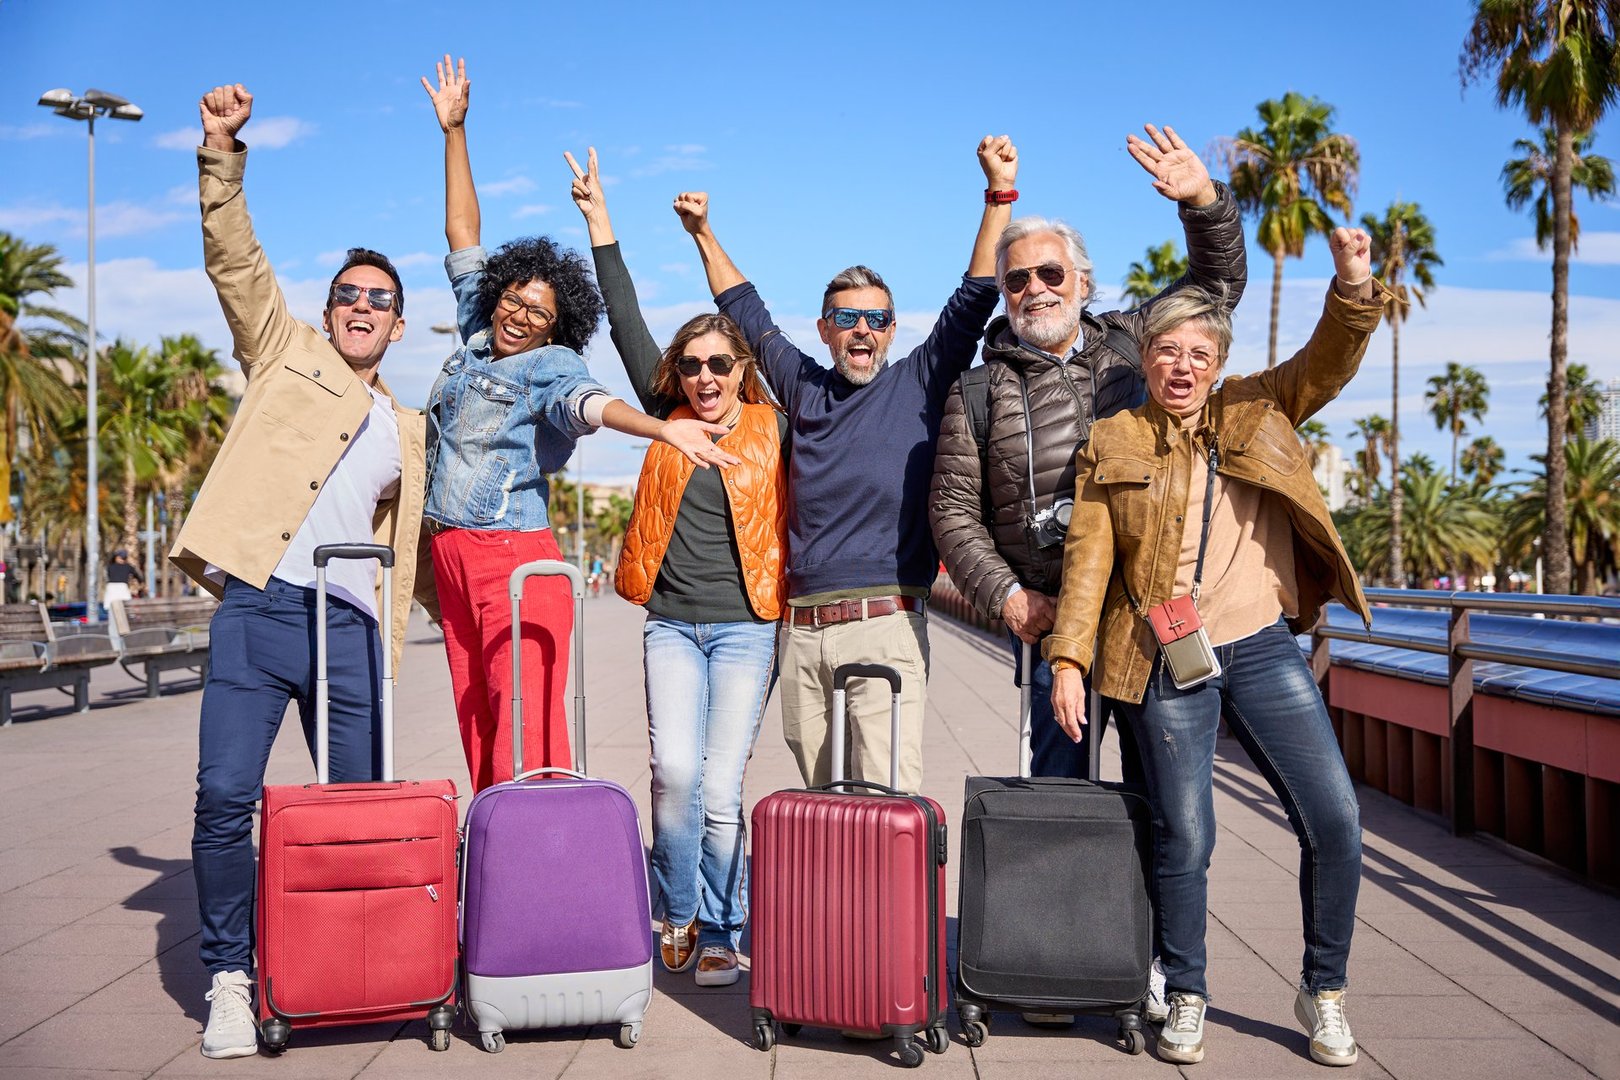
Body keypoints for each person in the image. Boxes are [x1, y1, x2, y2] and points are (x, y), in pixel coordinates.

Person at [1046, 227, 1381, 1067]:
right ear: (1146, 358)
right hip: (1164, 655)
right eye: (1167, 350)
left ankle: (1324, 991)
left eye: (1198, 353)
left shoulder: (1258, 408)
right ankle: (1187, 991)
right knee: (1186, 835)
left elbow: (1329, 362)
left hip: (1260, 645)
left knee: (1336, 820)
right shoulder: (1114, 439)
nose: (1182, 366)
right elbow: (1088, 560)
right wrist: (1068, 659)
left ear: (1219, 362)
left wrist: (1352, 285)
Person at [168, 84, 432, 1060]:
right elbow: (235, 259)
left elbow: (420, 543)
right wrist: (220, 152)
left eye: (380, 301)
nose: (363, 306)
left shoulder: (408, 427)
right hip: (261, 608)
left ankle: (351, 970)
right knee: (223, 798)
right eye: (349, 295)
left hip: (351, 628)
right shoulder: (284, 353)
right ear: (328, 313)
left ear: (399, 326)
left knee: (357, 808)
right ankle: (230, 981)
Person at [420, 58, 734, 794]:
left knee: (525, 729)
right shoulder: (477, 334)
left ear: (556, 327)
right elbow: (463, 234)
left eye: (539, 312)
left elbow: (587, 403)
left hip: (512, 560)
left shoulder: (549, 363)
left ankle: (532, 850)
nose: (520, 316)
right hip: (451, 555)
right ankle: (496, 845)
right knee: (477, 719)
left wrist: (661, 430)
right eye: (513, 300)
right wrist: (455, 132)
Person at [677, 136, 1018, 794]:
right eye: (848, 317)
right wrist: (703, 232)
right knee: (824, 810)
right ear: (825, 328)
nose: (863, 329)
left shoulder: (920, 382)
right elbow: (745, 311)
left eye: (876, 319)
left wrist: (999, 193)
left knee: (886, 804)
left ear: (891, 329)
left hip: (885, 625)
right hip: (803, 633)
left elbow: (975, 296)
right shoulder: (804, 388)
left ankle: (895, 873)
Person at [931, 123, 1246, 785]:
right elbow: (953, 511)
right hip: (1052, 621)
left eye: (1051, 273)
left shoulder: (1136, 341)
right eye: (1017, 279)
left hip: (1150, 612)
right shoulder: (977, 391)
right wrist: (1007, 596)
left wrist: (1202, 203)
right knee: (1058, 796)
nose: (1036, 288)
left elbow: (1215, 289)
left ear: (1082, 281)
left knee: (1164, 798)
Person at [567, 147, 788, 988]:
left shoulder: (774, 426)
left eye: (719, 363)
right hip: (670, 623)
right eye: (691, 365)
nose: (703, 376)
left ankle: (726, 927)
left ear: (742, 370)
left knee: (721, 787)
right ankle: (680, 910)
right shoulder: (666, 417)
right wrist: (600, 221)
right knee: (672, 776)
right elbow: (624, 318)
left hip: (746, 628)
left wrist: (706, 235)